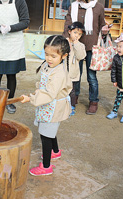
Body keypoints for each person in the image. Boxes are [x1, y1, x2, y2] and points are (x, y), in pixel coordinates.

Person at [21, 35, 72, 176]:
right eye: (46, 54)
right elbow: (44, 85)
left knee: (45, 135)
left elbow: (50, 94)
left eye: (53, 56)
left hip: (53, 107)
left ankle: (46, 166)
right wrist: (38, 91)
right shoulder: (48, 65)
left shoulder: (59, 73)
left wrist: (31, 98)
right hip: (46, 105)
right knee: (50, 131)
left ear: (64, 55)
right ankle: (55, 152)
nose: (49, 59)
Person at [63, 0, 109, 114]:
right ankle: (74, 97)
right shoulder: (73, 6)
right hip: (74, 45)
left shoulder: (98, 7)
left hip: (91, 46)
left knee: (91, 76)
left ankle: (93, 101)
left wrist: (104, 29)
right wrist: (65, 40)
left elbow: (102, 24)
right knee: (75, 74)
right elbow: (67, 25)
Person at [0, 0, 29, 114]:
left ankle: (9, 102)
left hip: (13, 42)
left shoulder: (19, 2)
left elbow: (25, 21)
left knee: (11, 74)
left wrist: (10, 28)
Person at [66, 21, 86, 116]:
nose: (77, 35)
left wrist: (76, 44)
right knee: (61, 89)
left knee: (72, 91)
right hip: (63, 72)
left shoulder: (81, 45)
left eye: (79, 34)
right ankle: (61, 106)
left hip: (73, 73)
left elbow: (81, 56)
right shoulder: (63, 42)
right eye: (75, 33)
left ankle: (72, 106)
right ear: (69, 31)